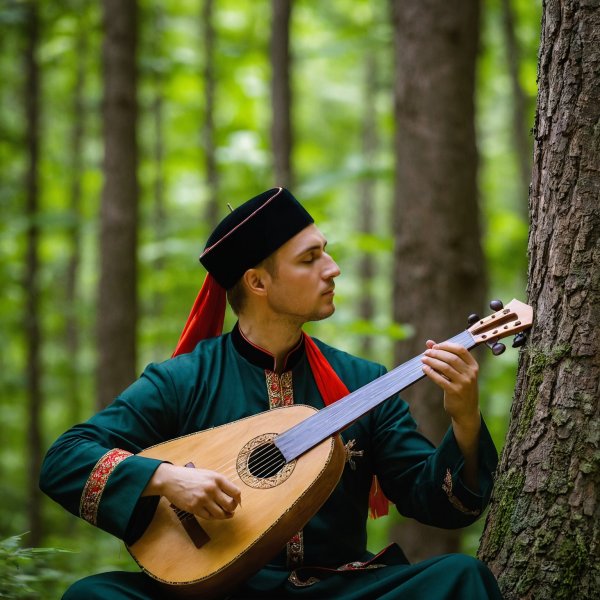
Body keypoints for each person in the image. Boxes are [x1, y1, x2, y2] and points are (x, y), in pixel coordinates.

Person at [40, 188, 503, 599]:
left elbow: (441, 505)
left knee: (460, 577)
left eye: (326, 252)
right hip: (217, 591)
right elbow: (64, 459)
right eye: (309, 258)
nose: (333, 268)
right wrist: (165, 479)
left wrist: (463, 419)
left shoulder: (363, 382)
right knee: (93, 594)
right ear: (257, 283)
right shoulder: (182, 380)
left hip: (337, 586)